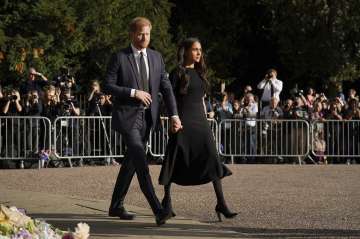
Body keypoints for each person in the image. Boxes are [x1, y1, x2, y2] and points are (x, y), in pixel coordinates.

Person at [104, 17, 181, 226]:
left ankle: (116, 205)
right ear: (132, 34)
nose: (144, 37)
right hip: (127, 118)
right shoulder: (119, 57)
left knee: (130, 162)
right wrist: (133, 92)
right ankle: (158, 209)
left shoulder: (157, 57)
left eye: (147, 34)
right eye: (140, 34)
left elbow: (166, 89)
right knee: (140, 160)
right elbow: (107, 86)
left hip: (148, 119)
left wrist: (174, 115)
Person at [158, 37, 237, 222]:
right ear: (185, 51)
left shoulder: (201, 72)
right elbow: (170, 99)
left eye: (200, 49)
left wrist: (207, 115)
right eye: (194, 49)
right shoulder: (177, 73)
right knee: (174, 158)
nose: (199, 53)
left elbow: (201, 98)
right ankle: (167, 204)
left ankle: (221, 203)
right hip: (182, 121)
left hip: (200, 122)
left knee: (212, 158)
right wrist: (172, 118)